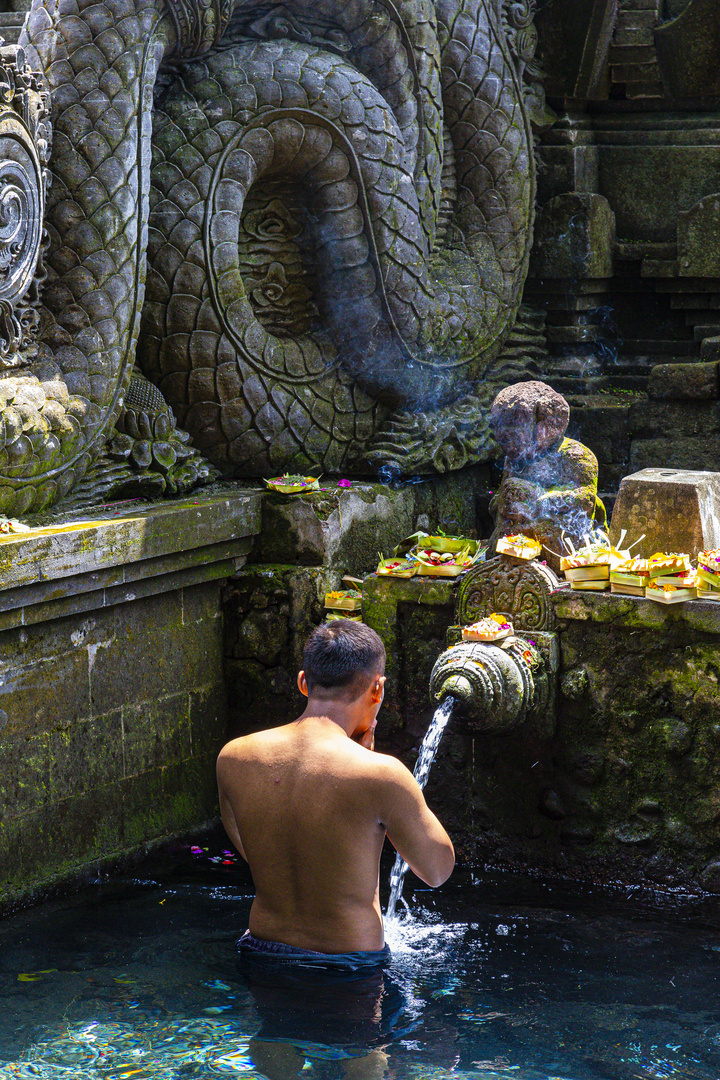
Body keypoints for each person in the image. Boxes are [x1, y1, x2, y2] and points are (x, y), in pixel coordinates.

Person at [216, 619, 454, 973]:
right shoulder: (381, 775)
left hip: (260, 954)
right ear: (377, 689)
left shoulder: (234, 756)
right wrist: (380, 794)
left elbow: (256, 853)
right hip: (349, 968)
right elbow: (437, 870)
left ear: (302, 682)